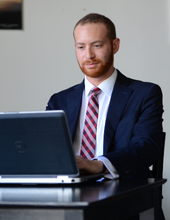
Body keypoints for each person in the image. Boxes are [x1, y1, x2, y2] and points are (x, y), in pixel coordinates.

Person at [46, 13, 163, 180]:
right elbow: (46, 152)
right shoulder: (59, 101)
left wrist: (100, 164)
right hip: (67, 190)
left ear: (115, 45)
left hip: (121, 191)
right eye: (81, 47)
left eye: (97, 45)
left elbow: (147, 147)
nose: (88, 55)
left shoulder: (145, 94)